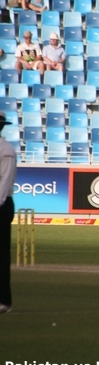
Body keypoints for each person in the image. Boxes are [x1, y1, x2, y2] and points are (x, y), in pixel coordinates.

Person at [0, 111, 16, 314]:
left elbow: (4, 183)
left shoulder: (6, 150)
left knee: (1, 255)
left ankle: (3, 300)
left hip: (2, 206)